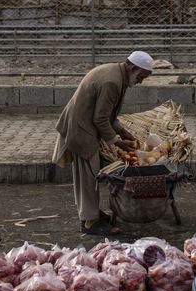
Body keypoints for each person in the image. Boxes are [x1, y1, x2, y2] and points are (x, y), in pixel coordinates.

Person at [52, 51, 154, 235]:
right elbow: (100, 119)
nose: (140, 81)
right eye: (141, 76)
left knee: (88, 175)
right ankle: (90, 222)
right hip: (81, 129)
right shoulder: (112, 82)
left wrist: (123, 132)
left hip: (84, 125)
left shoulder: (116, 74)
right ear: (133, 68)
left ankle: (90, 213)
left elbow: (108, 114)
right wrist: (117, 142)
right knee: (88, 176)